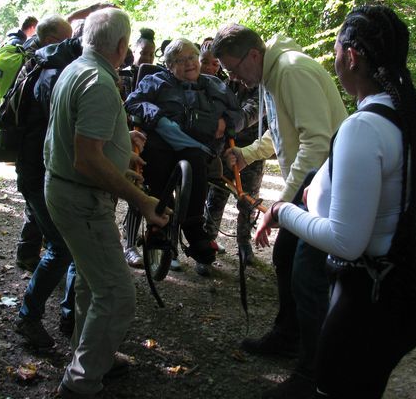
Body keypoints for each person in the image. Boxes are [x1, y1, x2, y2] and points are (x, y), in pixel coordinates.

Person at [255, 5, 416, 398]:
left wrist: (283, 211)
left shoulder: (362, 128)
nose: (333, 61)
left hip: (370, 297)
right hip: (410, 280)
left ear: (351, 55)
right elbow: (386, 197)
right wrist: (319, 195)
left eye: (335, 52)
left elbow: (347, 241)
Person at [211, 24, 346, 388]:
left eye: (234, 68)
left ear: (253, 55)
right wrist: (248, 153)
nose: (234, 77)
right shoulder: (273, 74)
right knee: (286, 258)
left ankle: (314, 371)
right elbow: (283, 131)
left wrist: (280, 205)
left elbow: (315, 143)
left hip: (327, 189)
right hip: (313, 186)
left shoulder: (291, 71)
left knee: (308, 276)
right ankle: (289, 336)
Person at [44, 7, 169, 398]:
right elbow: (86, 159)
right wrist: (143, 200)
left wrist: (121, 155)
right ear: (121, 45)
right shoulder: (97, 81)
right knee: (116, 294)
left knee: (91, 283)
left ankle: (90, 355)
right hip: (80, 200)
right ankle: (81, 383)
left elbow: (82, 146)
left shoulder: (77, 68)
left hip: (68, 191)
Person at [125, 38, 245, 276]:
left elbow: (238, 115)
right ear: (169, 65)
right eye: (181, 60)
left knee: (196, 160)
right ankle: (159, 226)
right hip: (162, 144)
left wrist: (226, 122)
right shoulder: (155, 81)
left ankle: (194, 229)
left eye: (192, 57)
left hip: (199, 148)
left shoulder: (214, 85)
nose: (190, 63)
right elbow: (132, 102)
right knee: (157, 161)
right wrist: (156, 115)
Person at [13, 15, 75, 348]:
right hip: (39, 174)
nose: (71, 47)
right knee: (62, 246)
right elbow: (65, 122)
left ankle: (70, 316)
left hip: (37, 171)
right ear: (52, 41)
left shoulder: (37, 66)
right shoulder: (49, 74)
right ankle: (28, 318)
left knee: (66, 245)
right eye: (66, 41)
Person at [202, 38, 264, 262]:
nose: (233, 74)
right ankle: (208, 241)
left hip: (250, 151)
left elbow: (251, 112)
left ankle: (244, 243)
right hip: (223, 150)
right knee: (216, 196)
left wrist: (227, 122)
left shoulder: (260, 85)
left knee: (247, 200)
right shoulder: (224, 84)